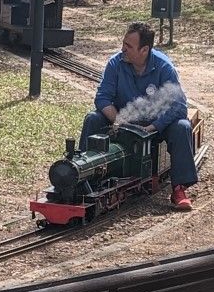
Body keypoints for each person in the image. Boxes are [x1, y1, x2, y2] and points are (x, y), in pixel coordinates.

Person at [80, 23, 197, 210]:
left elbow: (179, 106)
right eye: (123, 43)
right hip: (122, 122)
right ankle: (83, 174)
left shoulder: (164, 67)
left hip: (155, 126)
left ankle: (179, 189)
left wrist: (152, 127)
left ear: (144, 50)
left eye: (128, 46)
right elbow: (102, 98)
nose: (122, 49)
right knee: (93, 119)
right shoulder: (114, 63)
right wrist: (119, 120)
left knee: (182, 127)